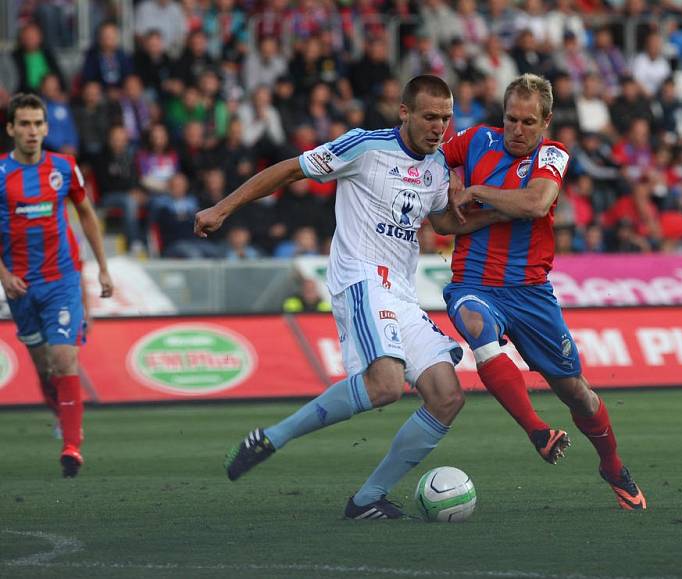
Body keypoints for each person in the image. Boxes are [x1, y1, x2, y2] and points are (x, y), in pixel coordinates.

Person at [194, 75, 502, 519]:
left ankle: (365, 500)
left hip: (401, 289)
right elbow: (289, 169)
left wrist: (501, 213)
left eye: (446, 117)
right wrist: (222, 209)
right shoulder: (364, 146)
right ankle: (271, 437)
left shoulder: (437, 169)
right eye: (430, 116)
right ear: (405, 112)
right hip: (360, 276)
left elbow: (444, 224)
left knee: (447, 396)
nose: (439, 126)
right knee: (387, 386)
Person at [436, 74, 647, 510]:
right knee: (477, 327)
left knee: (576, 393)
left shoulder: (552, 155)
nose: (517, 129)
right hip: (473, 282)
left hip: (532, 292)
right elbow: (436, 196)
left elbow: (534, 203)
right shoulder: (474, 140)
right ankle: (537, 430)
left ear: (546, 121)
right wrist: (447, 175)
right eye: (511, 119)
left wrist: (473, 191)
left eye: (528, 122)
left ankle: (612, 465)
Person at [0, 93, 114, 478]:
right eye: (25, 124)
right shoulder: (0, 174)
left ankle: (71, 445)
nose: (32, 131)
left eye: (38, 124)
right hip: (19, 286)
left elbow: (86, 214)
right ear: (11, 129)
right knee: (45, 366)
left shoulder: (64, 167)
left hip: (61, 280)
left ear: (47, 128)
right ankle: (61, 417)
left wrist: (102, 268)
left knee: (64, 357)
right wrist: (3, 275)